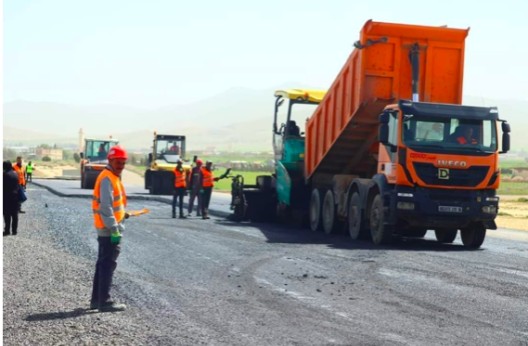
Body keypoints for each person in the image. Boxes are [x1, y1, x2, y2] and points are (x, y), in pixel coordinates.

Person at [90, 145, 129, 312]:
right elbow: (105, 206)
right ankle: (104, 302)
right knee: (108, 264)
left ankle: (96, 300)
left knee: (102, 264)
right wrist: (114, 228)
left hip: (108, 226)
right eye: (118, 162)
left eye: (123, 162)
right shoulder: (107, 178)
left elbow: (113, 204)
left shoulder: (112, 176)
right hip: (108, 229)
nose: (121, 165)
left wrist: (123, 215)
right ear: (110, 160)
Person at [3, 160, 21, 236]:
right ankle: (14, 231)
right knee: (14, 214)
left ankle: (7, 230)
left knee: (7, 214)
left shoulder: (4, 174)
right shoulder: (15, 173)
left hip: (7, 197)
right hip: (16, 197)